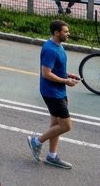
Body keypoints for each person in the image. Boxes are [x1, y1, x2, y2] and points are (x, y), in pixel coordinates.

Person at [27, 19, 79, 170]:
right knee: (66, 125)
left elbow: (56, 69)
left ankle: (52, 156)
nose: (68, 33)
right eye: (65, 31)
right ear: (56, 33)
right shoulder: (50, 49)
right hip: (52, 92)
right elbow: (46, 73)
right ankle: (36, 141)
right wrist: (65, 81)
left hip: (58, 90)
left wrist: (69, 75)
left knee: (56, 124)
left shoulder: (58, 46)